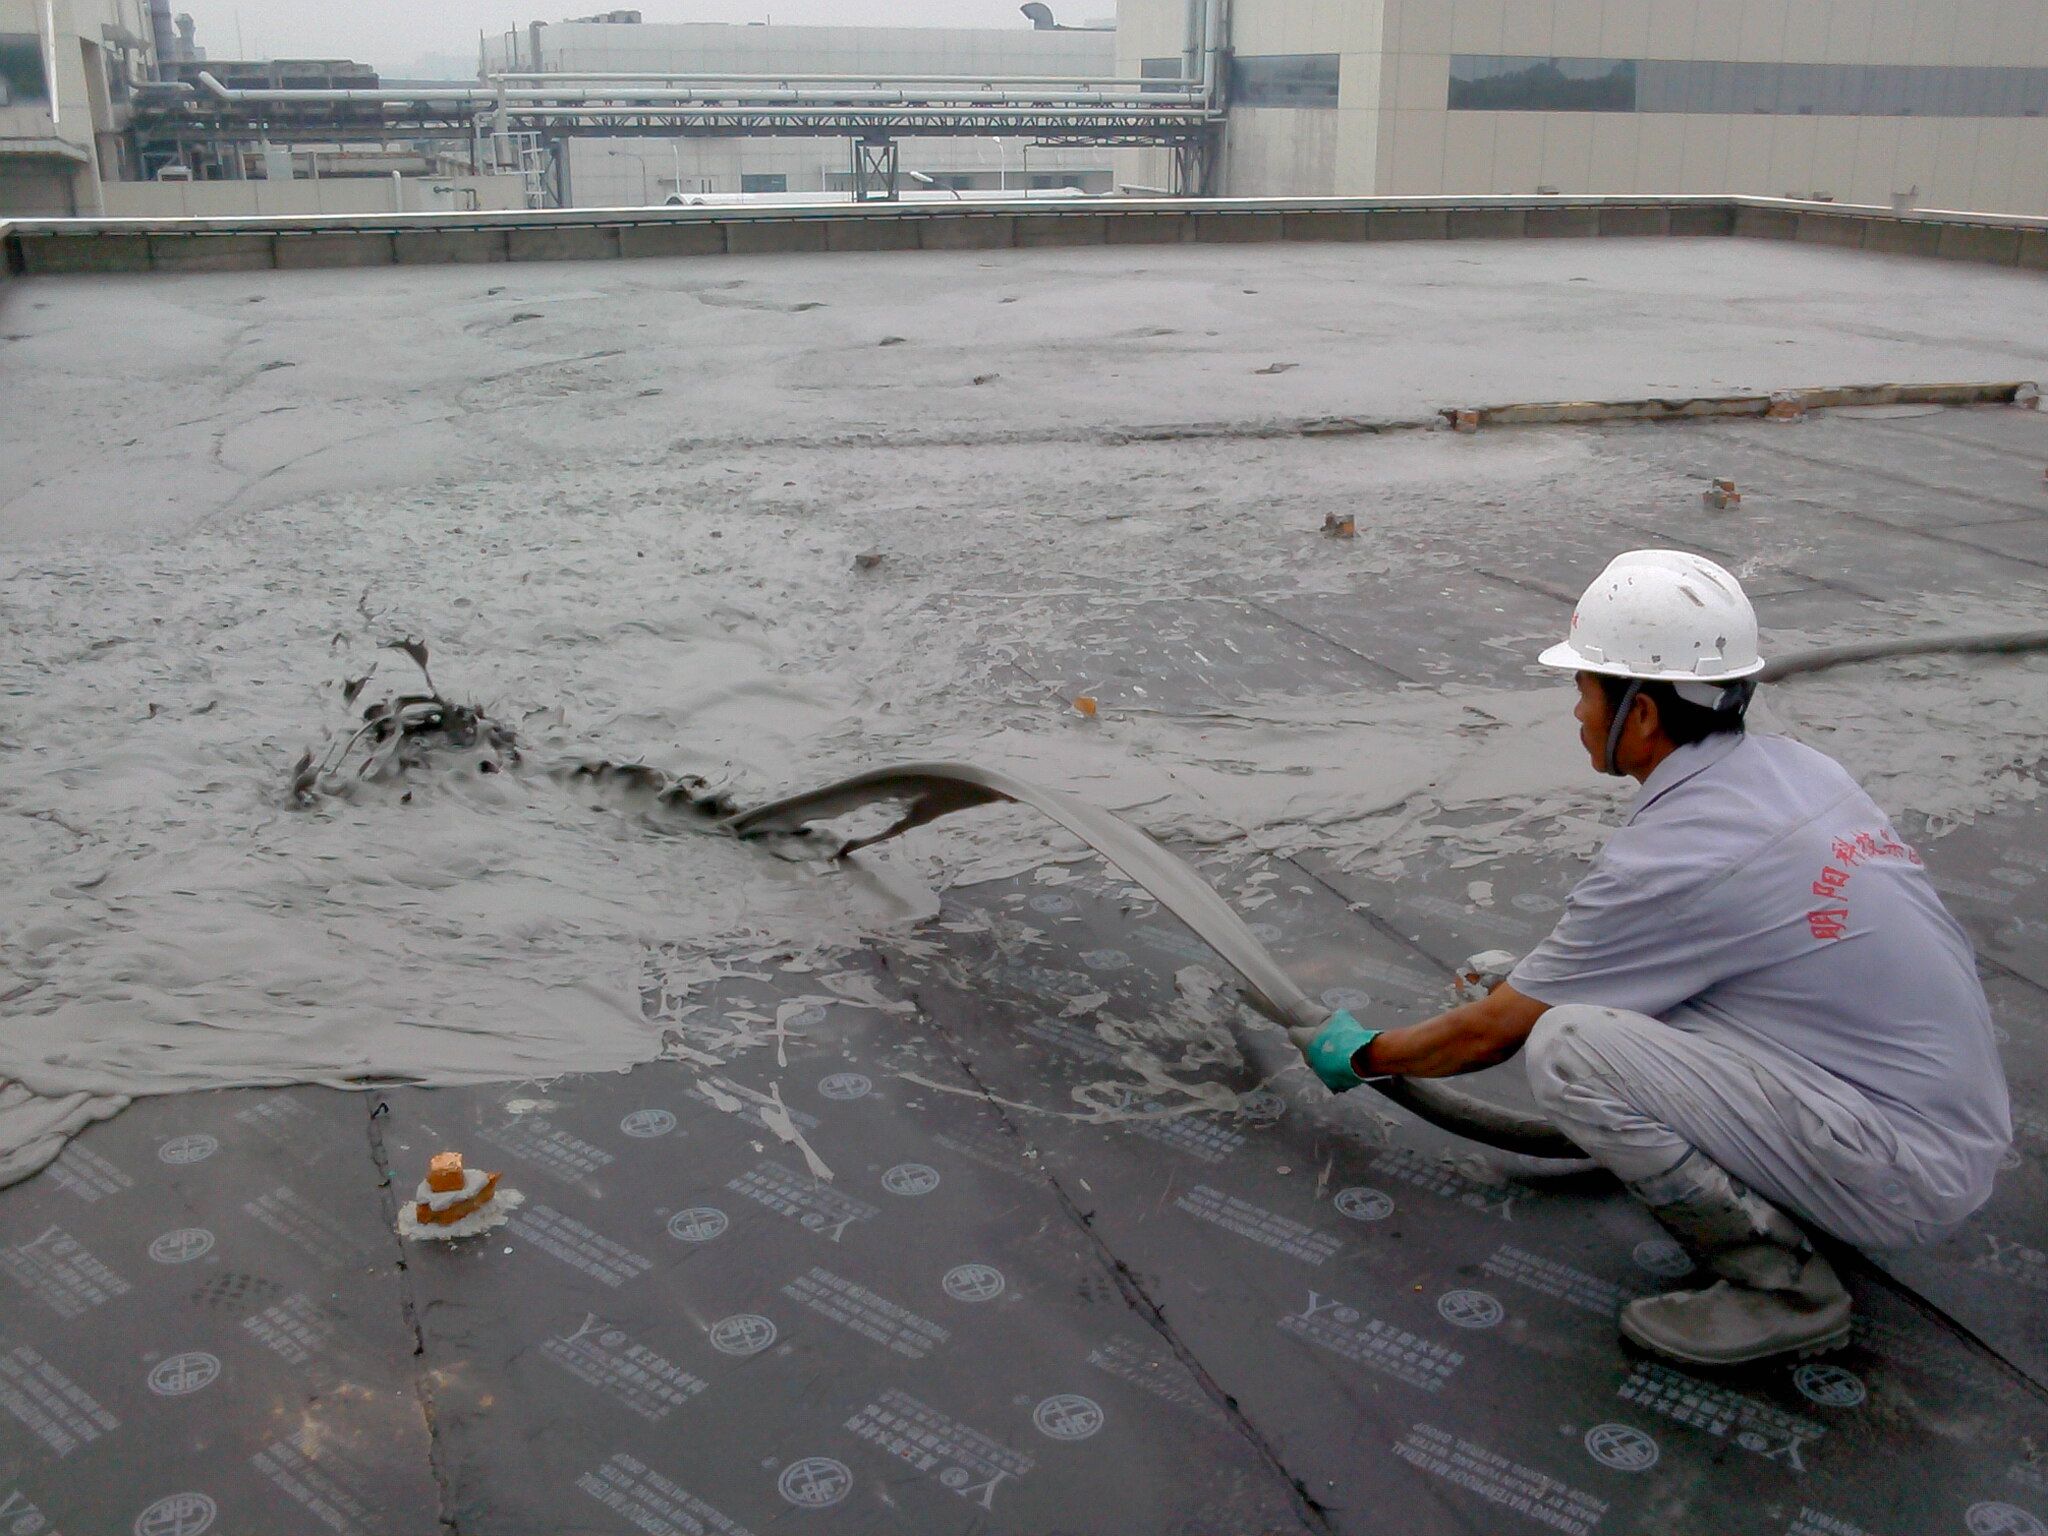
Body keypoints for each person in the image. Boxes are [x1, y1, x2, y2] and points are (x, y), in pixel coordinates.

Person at [1304, 549, 2012, 1367]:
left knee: (1573, 1047)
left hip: (1902, 1166)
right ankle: (1778, 1176)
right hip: (1940, 1117)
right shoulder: (1793, 773)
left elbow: (1489, 1038)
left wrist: (1360, 1055)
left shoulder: (1685, 854)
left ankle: (1782, 1288)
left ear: (1639, 714)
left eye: (1583, 691)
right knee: (1604, 995)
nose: (1574, 713)